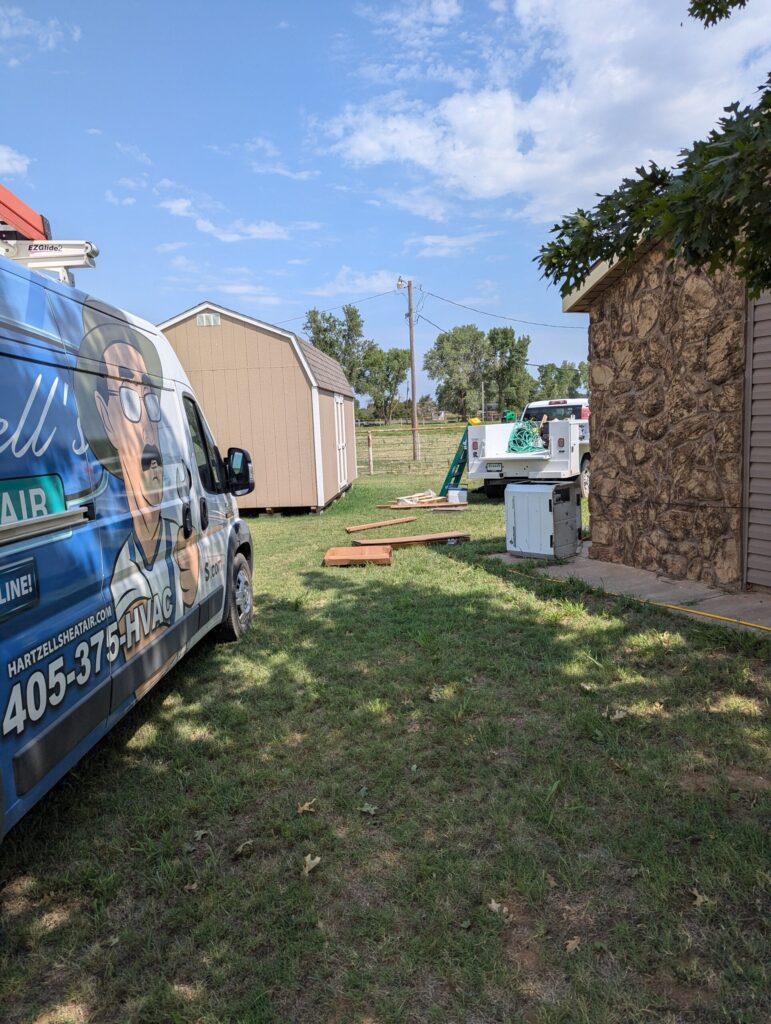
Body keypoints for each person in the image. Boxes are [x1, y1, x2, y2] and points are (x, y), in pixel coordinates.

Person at [75, 301, 199, 655]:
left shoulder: (174, 530)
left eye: (150, 400)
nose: (146, 426)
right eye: (129, 398)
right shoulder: (123, 569)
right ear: (105, 418)